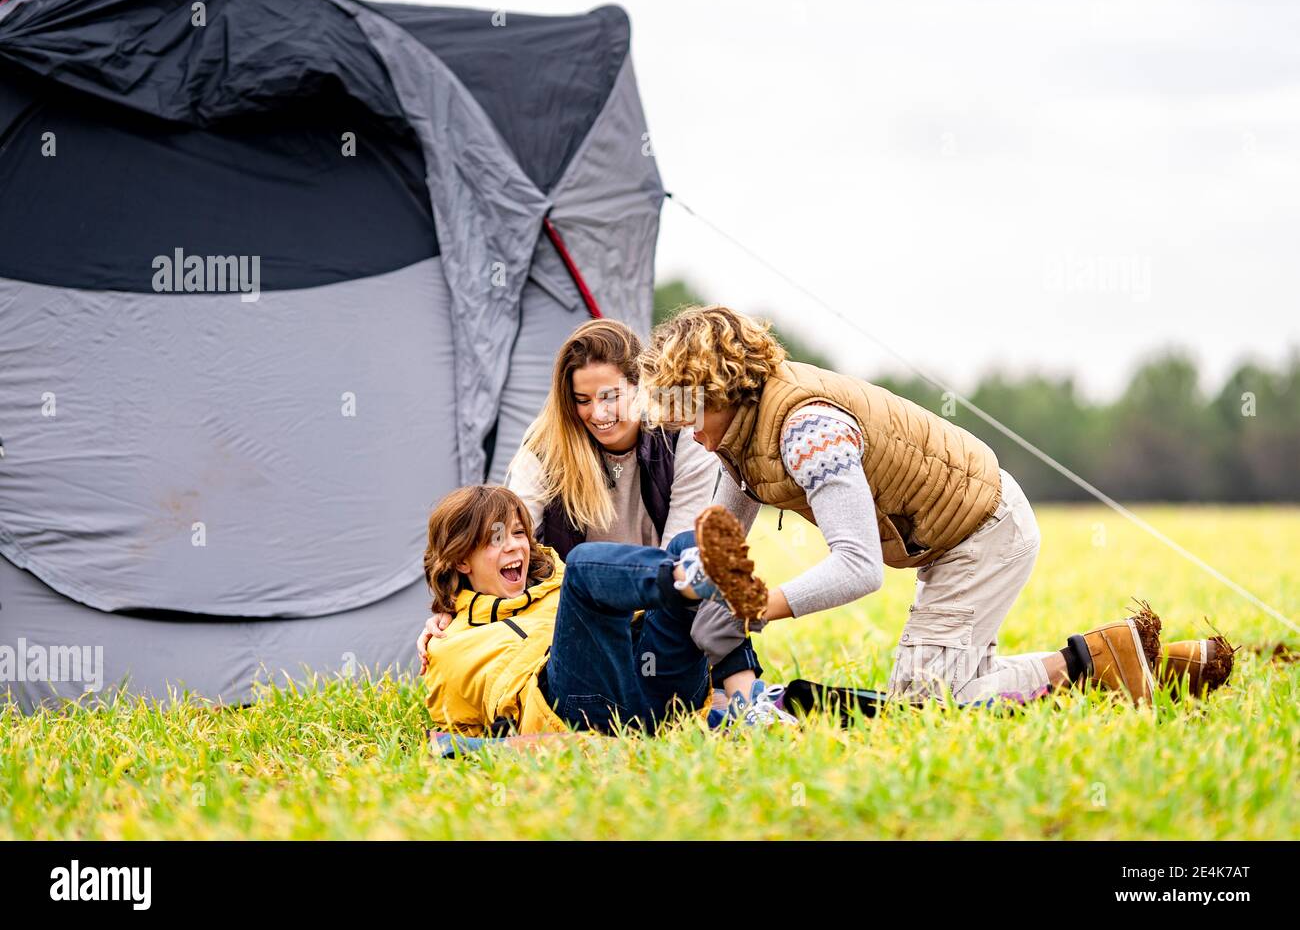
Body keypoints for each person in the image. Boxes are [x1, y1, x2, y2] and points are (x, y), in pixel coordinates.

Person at [637, 305, 1230, 707]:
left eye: (689, 411)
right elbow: (715, 544)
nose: (685, 431)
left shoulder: (806, 430)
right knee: (947, 685)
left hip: (983, 532)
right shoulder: (739, 435)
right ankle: (1152, 662)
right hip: (946, 538)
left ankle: (1092, 662)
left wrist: (762, 606)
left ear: (725, 390)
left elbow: (859, 567)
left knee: (928, 702)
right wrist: (678, 597)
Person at [417, 318, 766, 710]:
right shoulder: (547, 446)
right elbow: (507, 538)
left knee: (690, 548)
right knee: (586, 568)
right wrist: (453, 605)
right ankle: (706, 598)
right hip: (584, 636)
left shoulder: (681, 433)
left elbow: (675, 554)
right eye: (582, 400)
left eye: (610, 396)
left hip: (657, 630)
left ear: (641, 387)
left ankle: (744, 700)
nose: (598, 414)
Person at [417, 484, 792, 739]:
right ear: (461, 559)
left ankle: (745, 704)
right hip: (576, 708)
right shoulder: (450, 643)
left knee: (686, 541)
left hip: (653, 687)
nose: (514, 546)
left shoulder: (553, 579)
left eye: (518, 534)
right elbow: (456, 733)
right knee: (585, 565)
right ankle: (695, 575)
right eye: (495, 540)